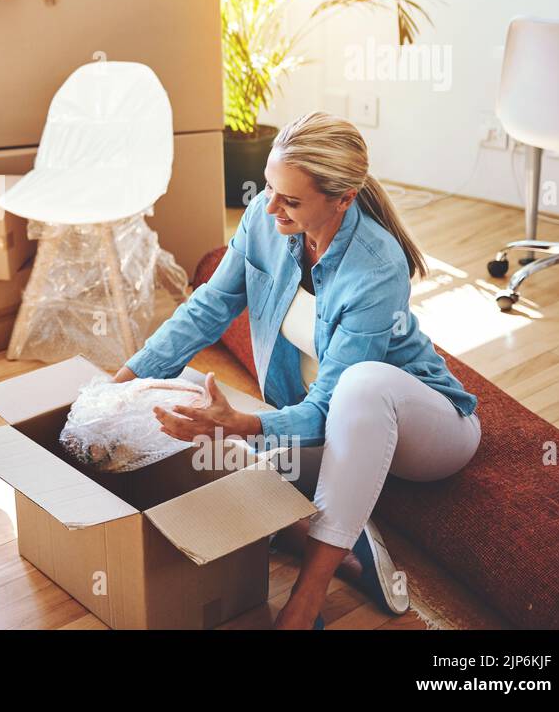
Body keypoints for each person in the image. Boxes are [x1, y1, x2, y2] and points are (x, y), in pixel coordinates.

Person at [114, 111, 482, 629]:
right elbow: (209, 307)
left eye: (290, 199)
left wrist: (245, 425)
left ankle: (306, 602)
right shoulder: (265, 220)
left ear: (342, 199)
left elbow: (334, 406)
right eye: (269, 187)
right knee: (184, 398)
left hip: (427, 431)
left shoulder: (376, 266)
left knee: (361, 385)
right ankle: (352, 548)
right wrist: (123, 385)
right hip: (327, 430)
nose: (270, 206)